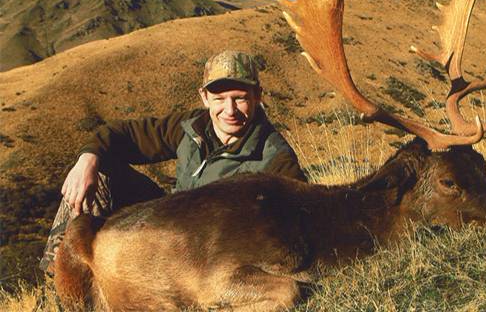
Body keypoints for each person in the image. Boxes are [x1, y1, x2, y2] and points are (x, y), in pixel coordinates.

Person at [40, 50, 306, 274]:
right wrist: (87, 158)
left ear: (257, 96)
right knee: (101, 173)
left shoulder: (274, 157)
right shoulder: (192, 126)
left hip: (205, 252)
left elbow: (298, 220)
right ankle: (61, 276)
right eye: (219, 99)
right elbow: (124, 135)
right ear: (204, 97)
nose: (230, 110)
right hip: (167, 220)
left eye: (240, 98)